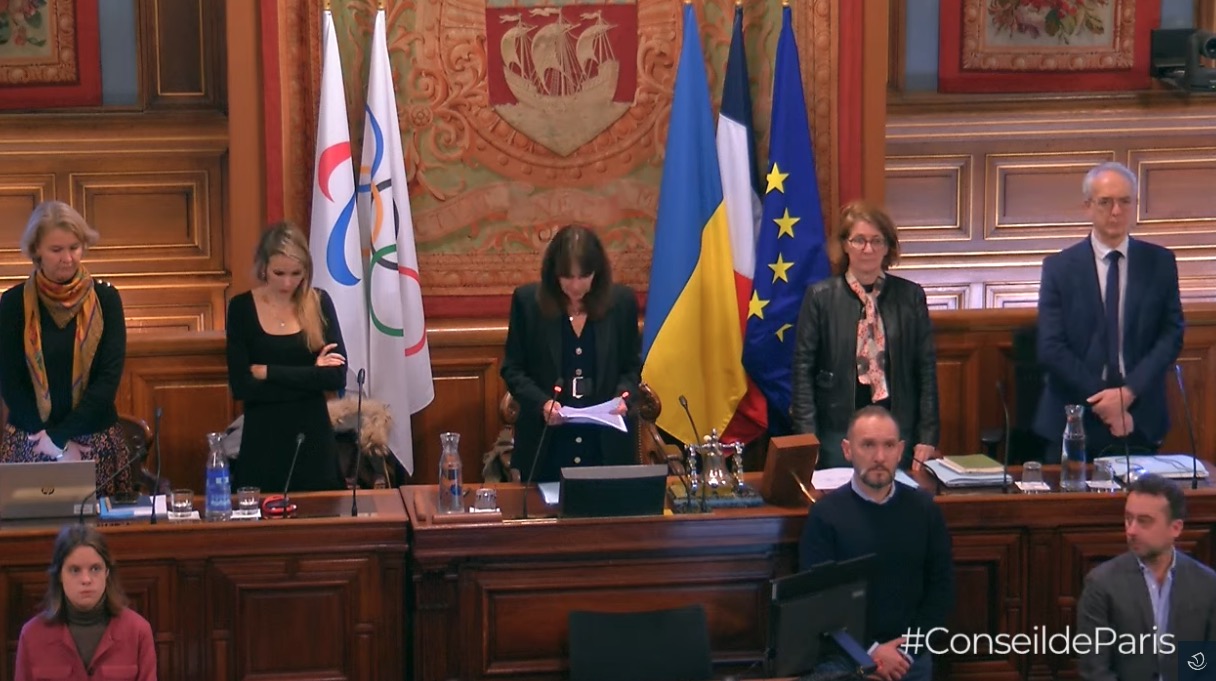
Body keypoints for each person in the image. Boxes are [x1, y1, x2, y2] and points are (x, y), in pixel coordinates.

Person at [1034, 161, 1184, 461]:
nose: (1116, 211)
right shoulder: (1059, 268)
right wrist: (1106, 401)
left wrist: (1127, 393)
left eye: (1125, 201)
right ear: (1088, 206)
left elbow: (1171, 334)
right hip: (1073, 417)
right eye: (1106, 202)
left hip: (1139, 416)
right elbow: (1051, 347)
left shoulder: (1160, 262)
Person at [799, 406, 953, 681]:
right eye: (868, 445)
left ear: (900, 449)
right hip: (846, 657)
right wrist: (870, 652)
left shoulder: (924, 509)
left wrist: (907, 652)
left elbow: (940, 590)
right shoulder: (825, 516)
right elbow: (820, 603)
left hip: (909, 658)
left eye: (889, 445)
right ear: (847, 450)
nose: (880, 457)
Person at [791, 201, 939, 470]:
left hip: (896, 429)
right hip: (836, 431)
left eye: (876, 241)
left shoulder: (910, 296)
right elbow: (803, 372)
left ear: (887, 247)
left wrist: (927, 436)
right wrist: (806, 438)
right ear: (845, 245)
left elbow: (925, 369)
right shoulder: (820, 297)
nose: (868, 249)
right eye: (859, 240)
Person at [0, 201, 132, 497]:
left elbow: (107, 381)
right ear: (36, 250)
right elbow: (10, 383)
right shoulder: (12, 304)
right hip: (31, 440)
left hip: (93, 441)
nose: (68, 258)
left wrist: (60, 437)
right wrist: (50, 443)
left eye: (74, 247)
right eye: (56, 250)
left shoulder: (106, 299)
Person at [501, 225, 641, 483]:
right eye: (567, 276)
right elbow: (513, 369)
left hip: (606, 445)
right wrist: (542, 402)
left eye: (583, 276)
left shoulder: (621, 303)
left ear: (597, 272)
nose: (575, 286)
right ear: (553, 272)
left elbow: (632, 367)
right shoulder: (528, 302)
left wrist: (623, 398)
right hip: (546, 446)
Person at [226, 222, 347, 493]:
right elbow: (242, 386)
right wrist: (310, 375)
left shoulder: (319, 303)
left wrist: (268, 372)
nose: (288, 283)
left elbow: (336, 376)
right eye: (279, 273)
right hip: (263, 440)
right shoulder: (241, 308)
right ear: (263, 267)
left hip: (313, 441)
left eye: (296, 273)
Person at [1077, 474, 1216, 680]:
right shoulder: (1101, 584)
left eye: (1144, 521)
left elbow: (1206, 669)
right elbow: (1095, 671)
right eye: (1128, 518)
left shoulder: (1206, 584)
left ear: (1175, 528)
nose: (1131, 530)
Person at [15, 525, 156, 680]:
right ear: (60, 575)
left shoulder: (138, 631)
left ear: (107, 572)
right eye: (75, 570)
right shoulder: (31, 635)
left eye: (95, 569)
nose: (86, 580)